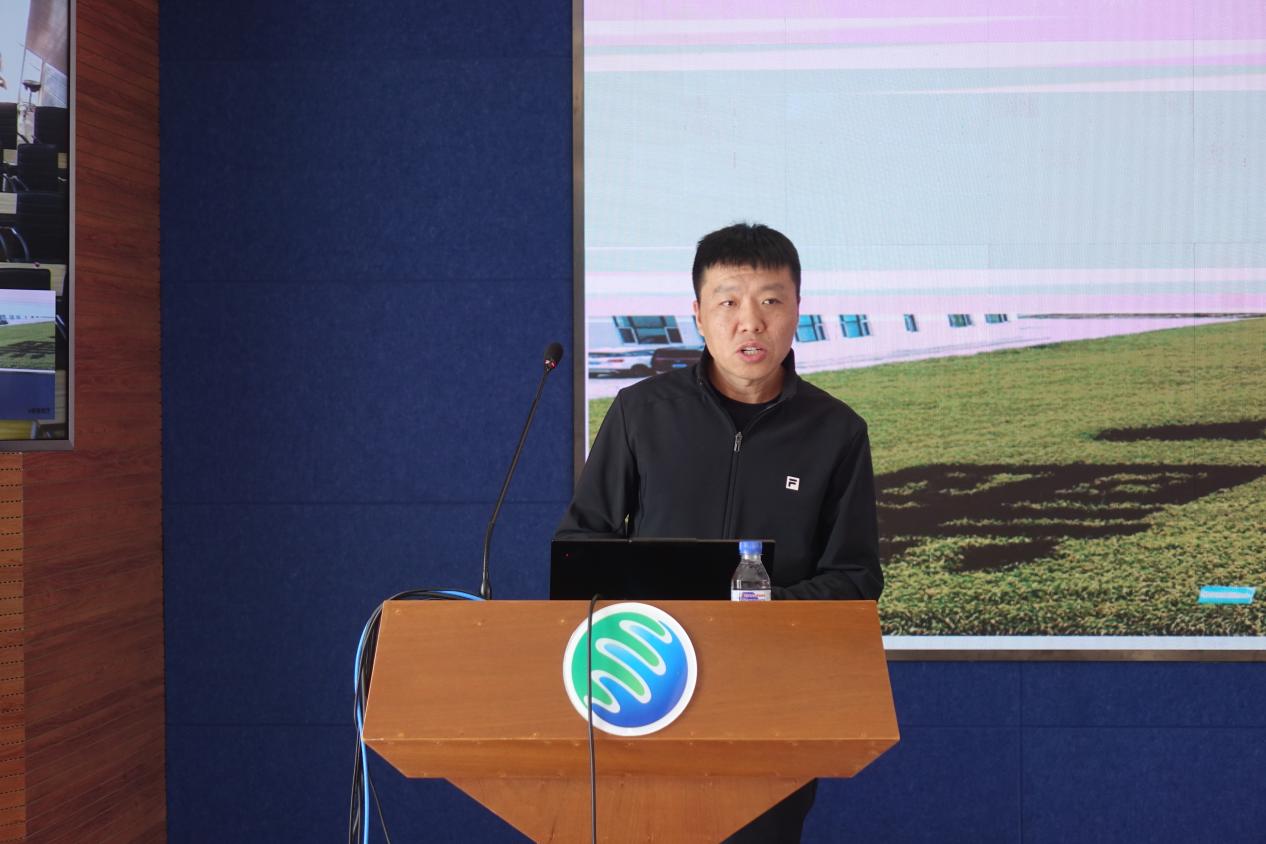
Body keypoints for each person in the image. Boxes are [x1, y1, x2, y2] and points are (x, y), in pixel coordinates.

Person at [556, 222, 882, 841]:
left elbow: (856, 577)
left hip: (774, 698)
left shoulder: (837, 432)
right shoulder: (640, 413)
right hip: (649, 689)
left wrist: (760, 609)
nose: (749, 322)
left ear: (797, 310)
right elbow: (582, 546)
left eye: (770, 301)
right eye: (728, 301)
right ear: (699, 316)